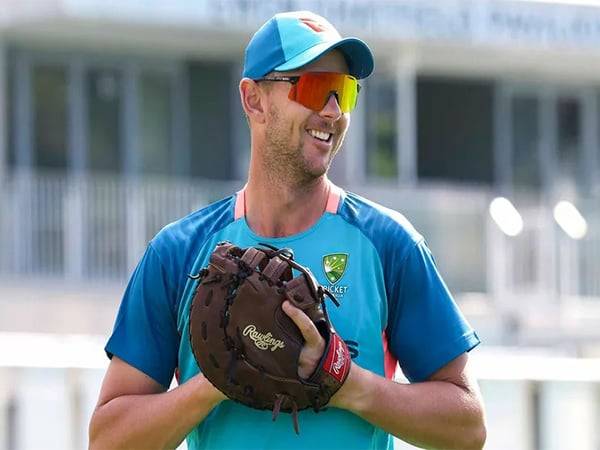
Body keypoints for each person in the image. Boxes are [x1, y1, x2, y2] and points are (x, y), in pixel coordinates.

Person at [89, 10, 486, 450]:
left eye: (344, 92)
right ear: (254, 100)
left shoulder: (390, 243)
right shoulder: (177, 252)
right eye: (315, 87)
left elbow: (467, 428)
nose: (332, 111)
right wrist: (218, 377)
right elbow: (108, 439)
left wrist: (346, 381)